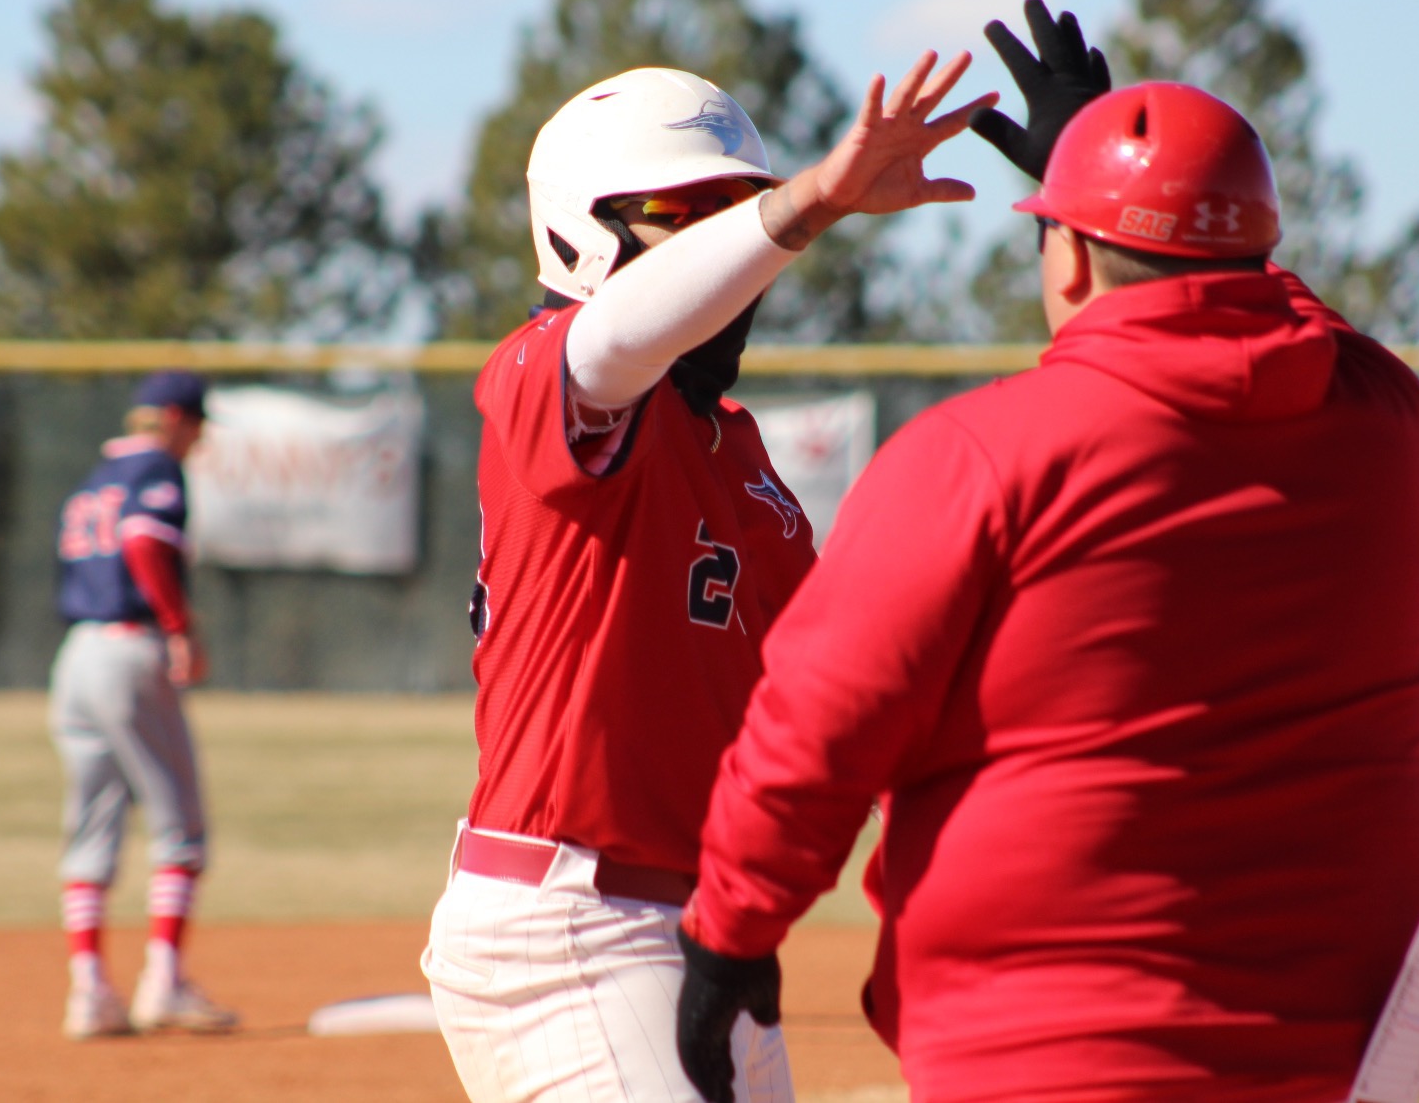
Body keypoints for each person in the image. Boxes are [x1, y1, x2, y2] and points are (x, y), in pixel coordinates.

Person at [673, 1, 1419, 1103]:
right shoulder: (1387, 427)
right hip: (1333, 1046)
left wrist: (728, 938)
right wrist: (1164, 192)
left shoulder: (973, 456)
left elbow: (812, 733)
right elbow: (1288, 312)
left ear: (1069, 258)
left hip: (1053, 1048)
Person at [421, 55, 997, 1103]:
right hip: (573, 930)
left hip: (695, 927)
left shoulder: (732, 447)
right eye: (675, 213)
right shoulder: (547, 372)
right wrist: (807, 201)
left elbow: (842, 679)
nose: (724, 238)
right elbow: (610, 337)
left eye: (731, 206)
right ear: (578, 233)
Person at [50, 369, 238, 1039]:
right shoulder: (158, 465)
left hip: (74, 656)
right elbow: (144, 540)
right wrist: (181, 626)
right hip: (131, 651)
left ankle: (89, 990)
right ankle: (163, 981)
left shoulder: (94, 475)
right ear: (176, 419)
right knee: (181, 827)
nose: (195, 441)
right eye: (196, 426)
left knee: (90, 827)